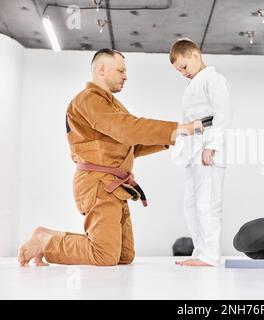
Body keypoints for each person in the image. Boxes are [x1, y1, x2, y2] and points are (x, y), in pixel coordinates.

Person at [18, 48, 203, 267]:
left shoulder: (110, 104)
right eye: (121, 70)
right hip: (98, 184)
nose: (126, 76)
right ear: (102, 69)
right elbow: (127, 129)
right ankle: (45, 241)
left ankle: (47, 235)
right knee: (103, 255)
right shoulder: (88, 100)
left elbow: (130, 144)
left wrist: (174, 137)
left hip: (114, 186)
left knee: (124, 256)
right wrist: (180, 128)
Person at [170, 39, 232, 266]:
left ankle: (210, 255)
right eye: (179, 71)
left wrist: (212, 145)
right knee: (191, 204)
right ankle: (199, 251)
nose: (183, 73)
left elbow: (223, 113)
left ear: (195, 55)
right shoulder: (193, 84)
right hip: (192, 146)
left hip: (208, 144)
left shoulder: (214, 79)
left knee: (208, 203)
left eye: (184, 67)